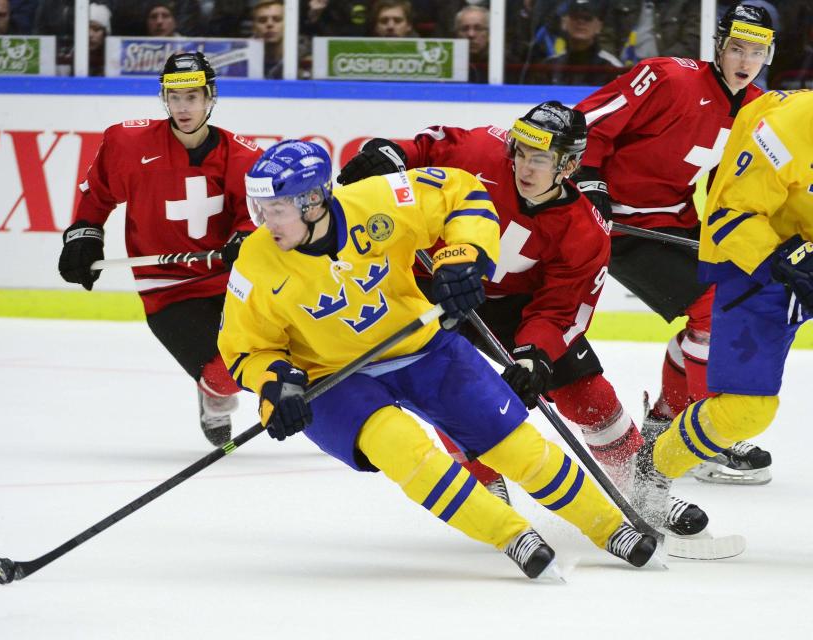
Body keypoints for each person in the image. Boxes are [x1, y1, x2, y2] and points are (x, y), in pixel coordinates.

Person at [218, 139, 659, 579]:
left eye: (274, 209)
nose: (263, 222)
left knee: (513, 445)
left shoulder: (377, 201)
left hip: (420, 347)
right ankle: (510, 535)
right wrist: (279, 385)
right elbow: (246, 348)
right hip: (331, 378)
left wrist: (463, 256)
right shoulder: (255, 263)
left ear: (312, 201)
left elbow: (460, 193)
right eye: (260, 209)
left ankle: (609, 526)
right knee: (401, 448)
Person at [336, 102, 706, 536]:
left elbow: (560, 308)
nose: (524, 167)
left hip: (517, 303)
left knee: (585, 391)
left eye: (541, 158)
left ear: (568, 164)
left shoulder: (585, 229)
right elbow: (419, 151)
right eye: (522, 151)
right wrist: (390, 155)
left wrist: (535, 357)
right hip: (431, 282)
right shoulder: (479, 151)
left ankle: (641, 487)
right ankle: (483, 480)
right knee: (447, 381)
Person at [574, 3, 777, 485]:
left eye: (757, 51)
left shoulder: (758, 109)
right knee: (711, 307)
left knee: (728, 305)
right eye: (737, 48)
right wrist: (589, 180)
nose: (745, 60)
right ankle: (704, 434)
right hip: (622, 227)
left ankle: (669, 423)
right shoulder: (668, 77)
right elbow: (586, 119)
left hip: (679, 222)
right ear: (719, 46)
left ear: (769, 55)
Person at [57, 52, 261, 446]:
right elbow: (97, 194)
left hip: (227, 281)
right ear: (164, 98)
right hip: (166, 288)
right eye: (174, 97)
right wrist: (85, 233)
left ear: (210, 96)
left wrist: (245, 237)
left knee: (265, 352)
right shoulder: (127, 142)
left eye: (193, 96)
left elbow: (250, 214)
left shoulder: (242, 155)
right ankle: (214, 395)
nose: (183, 107)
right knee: (226, 377)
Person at [633, 88, 813, 525]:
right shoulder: (784, 128)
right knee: (746, 410)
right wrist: (783, 262)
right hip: (760, 267)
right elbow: (730, 214)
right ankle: (651, 469)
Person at [533, 0, 624, 86]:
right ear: (564, 23)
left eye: (588, 18)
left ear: (598, 27)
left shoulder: (613, 68)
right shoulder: (548, 66)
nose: (581, 22)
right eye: (575, 17)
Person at [454, 5, 490, 83]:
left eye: (478, 28)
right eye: (464, 29)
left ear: (489, 33)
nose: (471, 34)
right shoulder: (449, 65)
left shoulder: (502, 64)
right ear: (457, 34)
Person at [251, 0, 284, 79]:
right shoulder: (243, 63)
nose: (269, 24)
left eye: (277, 19)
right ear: (254, 28)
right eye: (262, 20)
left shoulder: (298, 62)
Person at [88, 3, 111, 77]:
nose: (90, 35)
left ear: (105, 33)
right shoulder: (70, 57)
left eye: (96, 29)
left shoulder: (113, 59)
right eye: (86, 28)